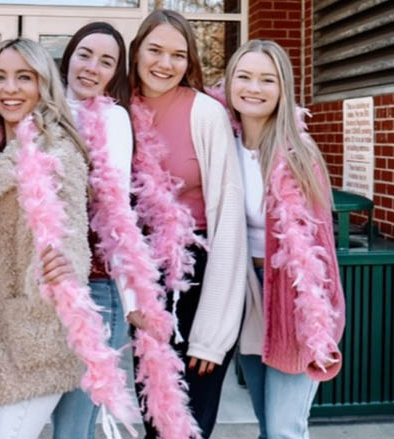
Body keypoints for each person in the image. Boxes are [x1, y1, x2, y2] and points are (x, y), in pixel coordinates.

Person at [127, 9, 247, 438]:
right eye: (155, 50)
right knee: (156, 417)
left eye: (178, 54)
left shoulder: (205, 114)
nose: (165, 63)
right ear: (136, 51)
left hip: (199, 275)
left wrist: (213, 332)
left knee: (191, 421)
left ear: (190, 61)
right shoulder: (117, 110)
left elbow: (228, 221)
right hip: (141, 274)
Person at [0, 37, 96, 439]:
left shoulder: (57, 150)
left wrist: (62, 268)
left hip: (33, 338)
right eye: (0, 78)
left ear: (43, 85)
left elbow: (72, 230)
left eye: (23, 78)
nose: (10, 89)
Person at [225, 39, 345, 439]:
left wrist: (322, 321)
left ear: (283, 88)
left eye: (266, 79)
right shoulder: (223, 142)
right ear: (229, 83)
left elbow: (321, 249)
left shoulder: (298, 152)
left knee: (283, 429)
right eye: (244, 77)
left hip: (293, 299)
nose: (253, 88)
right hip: (247, 295)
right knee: (266, 421)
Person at [47, 22, 135, 439]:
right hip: (36, 283)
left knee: (72, 426)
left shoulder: (115, 119)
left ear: (115, 73)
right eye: (85, 54)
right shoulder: (38, 107)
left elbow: (117, 211)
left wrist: (134, 298)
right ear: (68, 57)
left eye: (106, 61)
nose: (91, 67)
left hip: (96, 287)